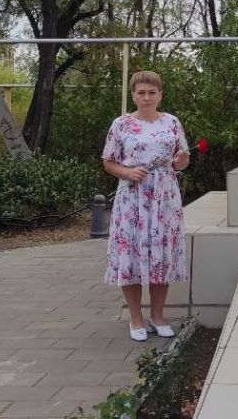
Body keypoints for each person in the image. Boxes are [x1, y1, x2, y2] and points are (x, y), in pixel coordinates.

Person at [102, 70, 189, 341]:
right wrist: (126, 173)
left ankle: (158, 315)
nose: (147, 97)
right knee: (132, 255)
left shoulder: (172, 122)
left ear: (160, 94)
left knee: (160, 255)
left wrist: (181, 160)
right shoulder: (121, 124)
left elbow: (181, 162)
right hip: (132, 199)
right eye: (141, 92)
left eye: (152, 92)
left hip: (164, 198)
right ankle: (136, 319)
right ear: (133, 96)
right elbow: (108, 160)